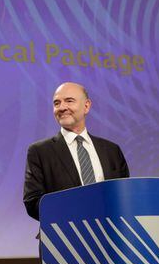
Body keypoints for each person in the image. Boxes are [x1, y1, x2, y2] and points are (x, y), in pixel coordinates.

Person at [23, 82, 129, 221]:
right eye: (56, 103)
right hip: (65, 236)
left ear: (86, 106)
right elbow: (33, 202)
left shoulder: (111, 150)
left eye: (69, 101)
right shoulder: (39, 151)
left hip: (109, 237)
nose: (62, 107)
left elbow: (125, 196)